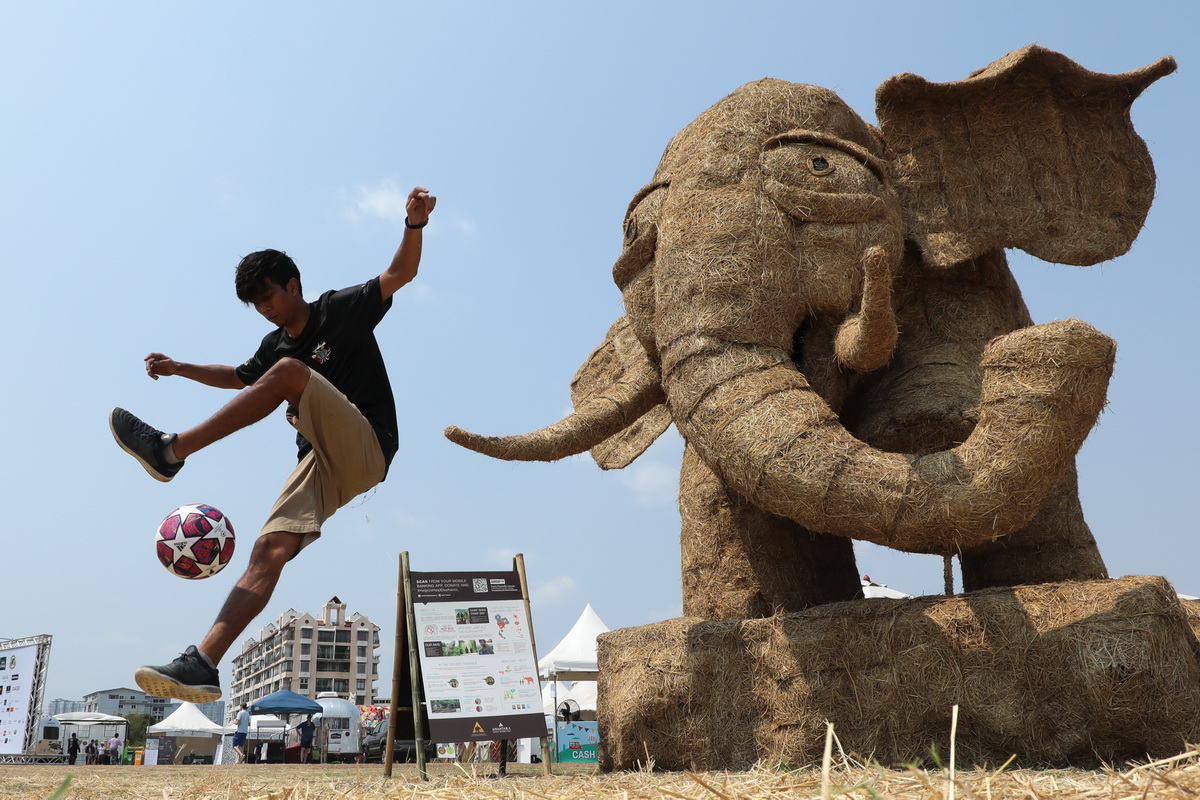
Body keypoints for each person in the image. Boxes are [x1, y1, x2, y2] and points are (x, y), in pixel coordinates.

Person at [109, 187, 435, 702]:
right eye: (256, 304)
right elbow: (240, 377)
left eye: (268, 297)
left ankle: (171, 451)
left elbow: (401, 274)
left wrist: (413, 225)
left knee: (289, 374)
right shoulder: (274, 345)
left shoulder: (340, 310)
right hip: (320, 465)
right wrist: (178, 368)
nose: (263, 310)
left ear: (293, 285)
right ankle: (204, 661)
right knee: (269, 548)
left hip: (369, 445)